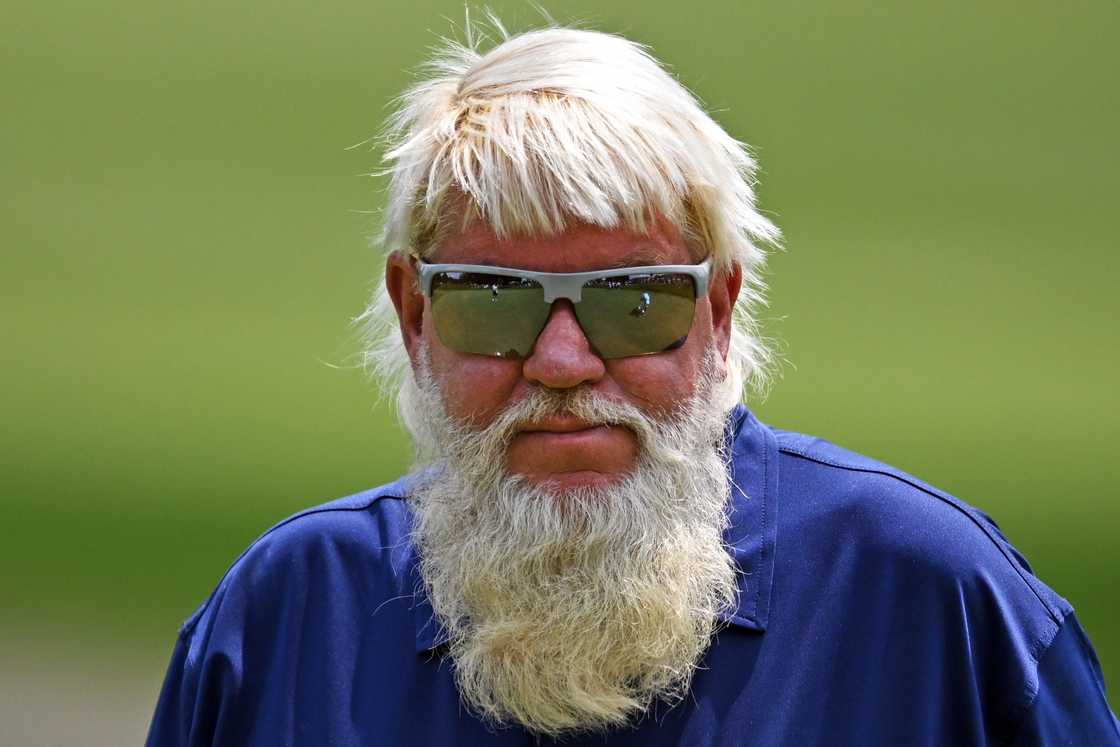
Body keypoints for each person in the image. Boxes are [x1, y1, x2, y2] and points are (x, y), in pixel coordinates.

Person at [146, 24, 1119, 746]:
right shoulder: (290, 616)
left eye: (632, 301)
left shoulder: (928, 596)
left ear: (720, 308)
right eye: (493, 300)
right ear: (412, 313)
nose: (563, 364)